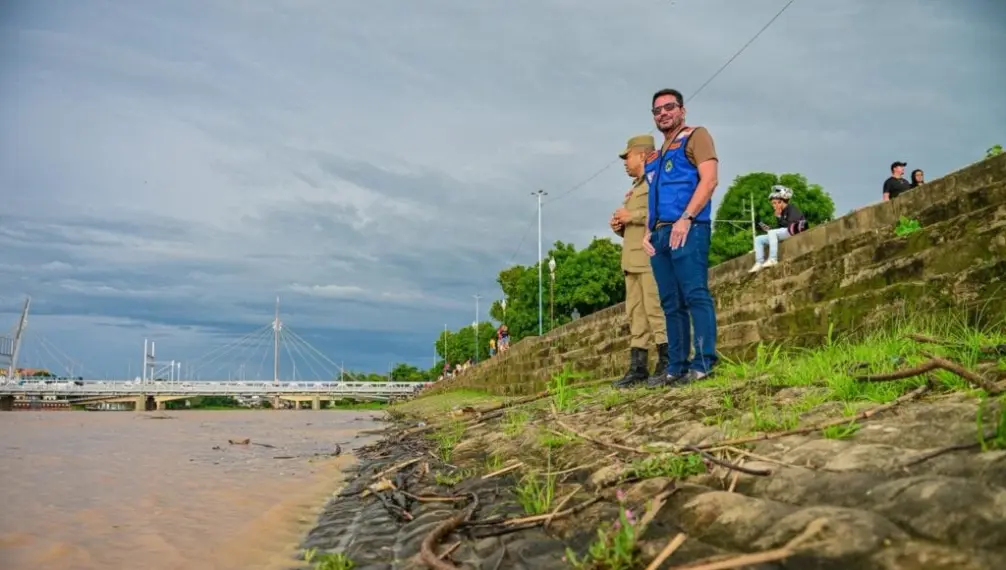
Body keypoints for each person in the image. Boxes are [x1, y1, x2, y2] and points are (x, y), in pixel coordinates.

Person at [642, 88, 720, 385]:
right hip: (660, 235)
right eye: (657, 110)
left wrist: (686, 218)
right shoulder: (655, 156)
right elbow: (653, 196)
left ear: (682, 110)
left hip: (688, 227)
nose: (663, 113)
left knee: (694, 293)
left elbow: (709, 180)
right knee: (670, 302)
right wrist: (647, 231)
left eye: (669, 107)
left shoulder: (696, 136)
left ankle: (703, 363)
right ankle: (676, 367)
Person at [609, 134, 669, 389]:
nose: (625, 162)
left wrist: (631, 215)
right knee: (635, 314)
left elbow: (662, 212)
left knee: (655, 309)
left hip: (649, 256)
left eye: (628, 156)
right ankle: (638, 367)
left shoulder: (657, 180)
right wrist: (620, 227)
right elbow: (637, 224)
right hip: (631, 259)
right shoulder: (636, 187)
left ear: (642, 155)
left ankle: (667, 361)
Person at [749, 185, 808, 273]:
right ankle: (759, 262)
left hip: (794, 231)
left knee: (772, 232)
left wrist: (779, 217)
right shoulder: (781, 212)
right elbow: (781, 228)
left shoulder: (791, 209)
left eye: (774, 203)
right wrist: (770, 228)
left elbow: (790, 226)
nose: (773, 205)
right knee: (759, 239)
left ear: (781, 202)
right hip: (786, 232)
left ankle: (773, 259)